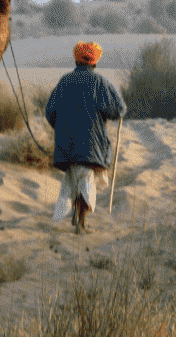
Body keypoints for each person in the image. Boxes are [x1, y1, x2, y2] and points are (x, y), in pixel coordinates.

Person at [44, 41, 126, 234]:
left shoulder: (64, 82)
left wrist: (63, 127)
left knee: (74, 179)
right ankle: (81, 223)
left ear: (76, 60)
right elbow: (119, 109)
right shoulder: (100, 83)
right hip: (91, 147)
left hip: (66, 146)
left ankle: (77, 217)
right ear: (95, 62)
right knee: (86, 182)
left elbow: (50, 112)